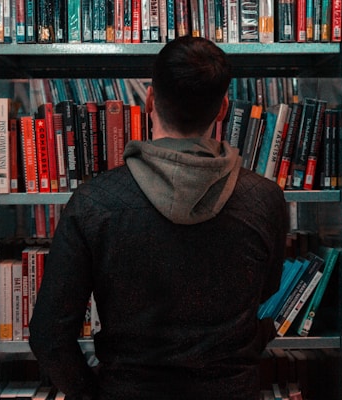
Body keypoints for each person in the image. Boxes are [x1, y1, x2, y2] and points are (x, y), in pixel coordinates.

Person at [28, 35, 289, 400]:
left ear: (149, 100)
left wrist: (91, 395)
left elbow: (48, 334)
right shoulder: (265, 200)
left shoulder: (95, 202)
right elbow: (265, 290)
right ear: (223, 109)